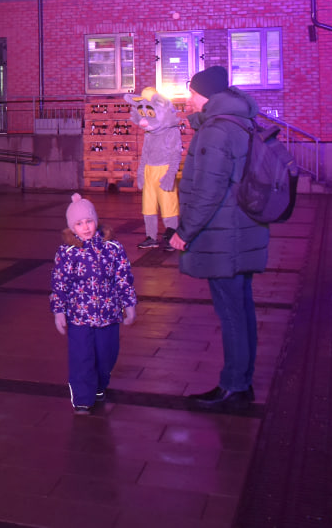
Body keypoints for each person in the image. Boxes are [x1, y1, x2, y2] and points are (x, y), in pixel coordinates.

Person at [169, 66, 268, 408]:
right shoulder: (240, 121)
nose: (189, 99)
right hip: (243, 229)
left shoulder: (215, 130)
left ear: (206, 96)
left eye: (192, 93)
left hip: (225, 237)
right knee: (242, 310)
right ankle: (241, 382)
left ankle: (233, 387)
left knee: (231, 314)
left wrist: (184, 232)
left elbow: (208, 191)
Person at [51, 193, 137, 415]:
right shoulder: (68, 253)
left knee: (107, 354)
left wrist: (129, 304)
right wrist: (59, 311)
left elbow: (123, 277)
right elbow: (60, 283)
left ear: (96, 221)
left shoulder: (113, 248)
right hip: (79, 316)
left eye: (89, 221)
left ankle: (99, 385)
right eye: (79, 224)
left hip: (108, 315)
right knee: (82, 356)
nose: (86, 227)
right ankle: (82, 398)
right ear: (72, 228)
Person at [124, 87, 182, 249]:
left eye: (149, 114)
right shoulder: (149, 134)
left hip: (164, 170)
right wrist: (141, 173)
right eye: (142, 115)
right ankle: (151, 236)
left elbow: (175, 154)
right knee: (148, 206)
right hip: (150, 171)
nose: (144, 121)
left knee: (169, 206)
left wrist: (170, 174)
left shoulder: (171, 131)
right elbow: (145, 154)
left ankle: (172, 237)